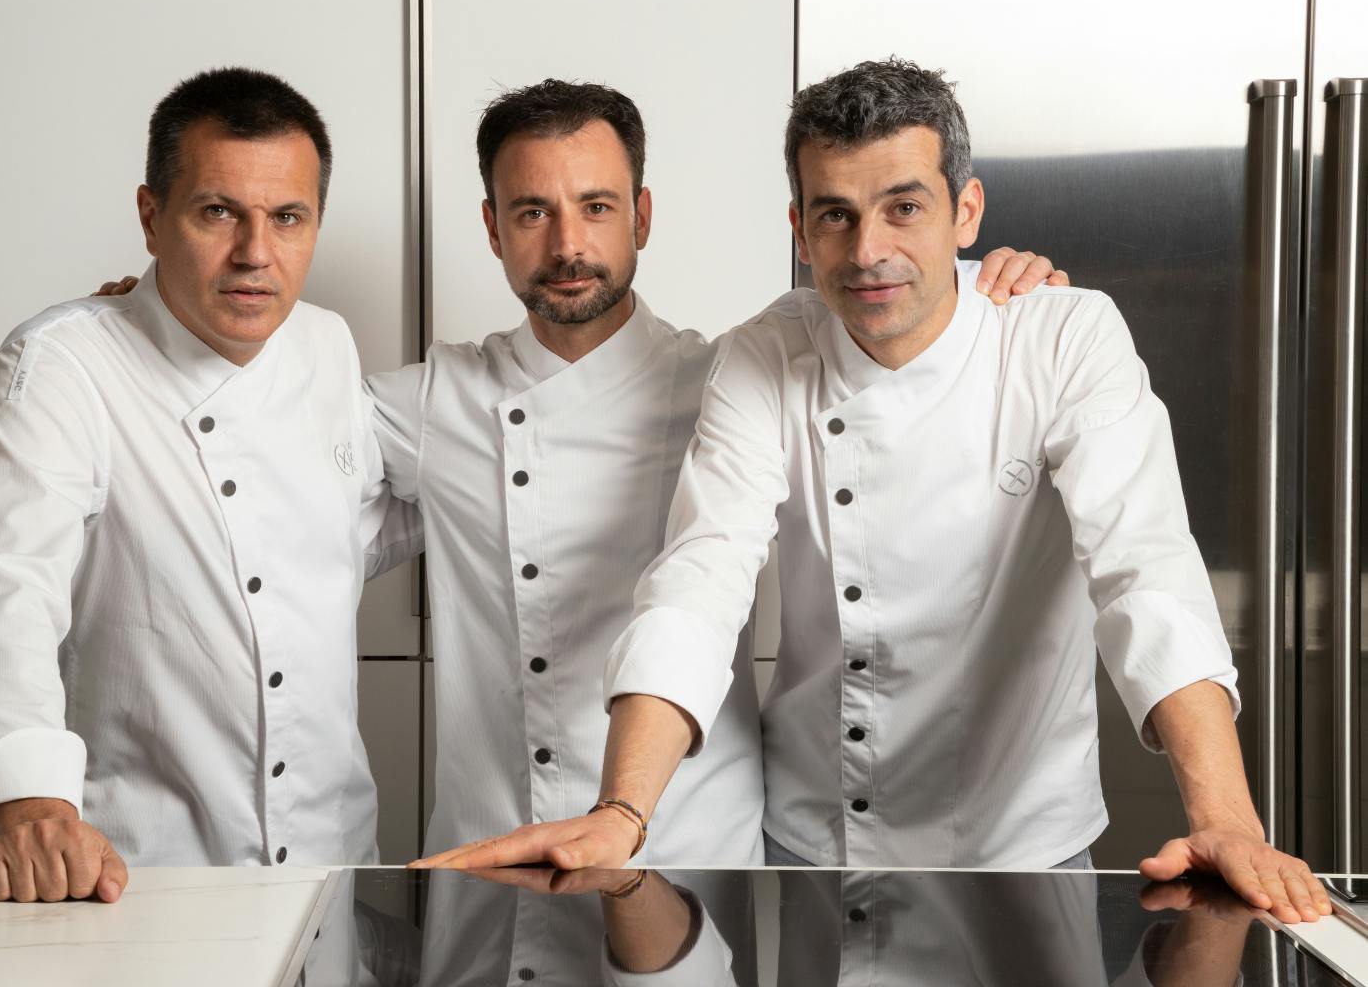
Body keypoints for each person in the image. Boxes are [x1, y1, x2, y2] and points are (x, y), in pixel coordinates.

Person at [412, 59, 1333, 926]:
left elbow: (1146, 572)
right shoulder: (764, 356)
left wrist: (1226, 819)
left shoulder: (1064, 339)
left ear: (966, 211)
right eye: (836, 215)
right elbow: (700, 578)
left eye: (904, 208)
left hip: (1022, 844)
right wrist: (622, 810)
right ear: (799, 230)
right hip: (815, 844)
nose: (869, 250)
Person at [363, 80, 1061, 866]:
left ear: (643, 216)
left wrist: (985, 293)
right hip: (487, 840)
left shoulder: (731, 378)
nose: (567, 245)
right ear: (492, 229)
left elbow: (702, 580)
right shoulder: (429, 402)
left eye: (597, 207)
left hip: (695, 842)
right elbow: (282, 507)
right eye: (532, 212)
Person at [0, 67, 419, 903]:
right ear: (150, 215)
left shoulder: (328, 345)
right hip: (139, 882)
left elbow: (339, 534)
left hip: (334, 866)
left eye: (287, 218)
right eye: (217, 213)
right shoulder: (62, 365)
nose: (255, 254)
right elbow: (8, 591)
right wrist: (32, 809)